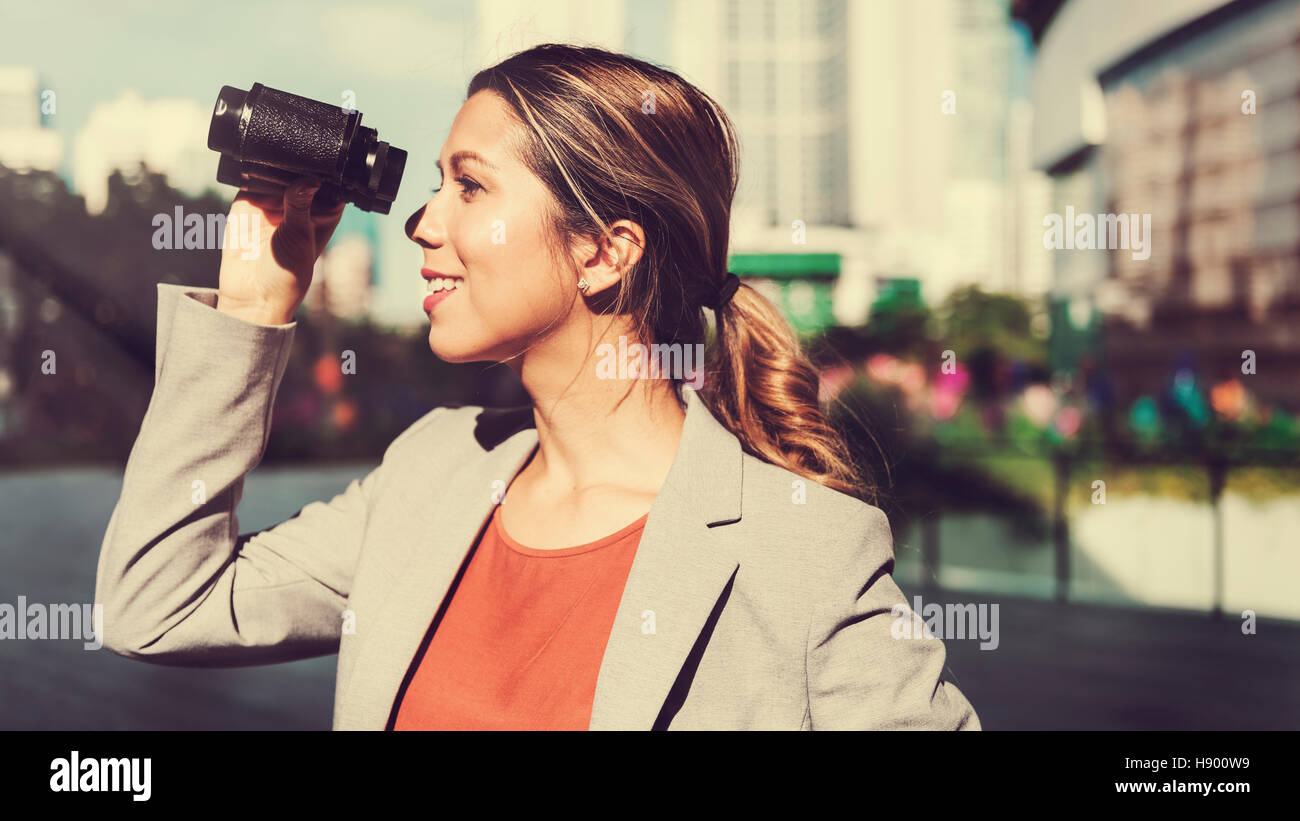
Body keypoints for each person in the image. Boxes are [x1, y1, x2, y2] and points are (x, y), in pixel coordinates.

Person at [96, 43, 980, 731]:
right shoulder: (433, 472)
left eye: (469, 186)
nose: (422, 221)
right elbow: (158, 605)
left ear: (603, 251)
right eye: (438, 182)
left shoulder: (804, 551)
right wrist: (251, 306)